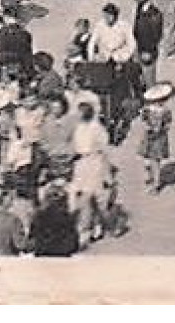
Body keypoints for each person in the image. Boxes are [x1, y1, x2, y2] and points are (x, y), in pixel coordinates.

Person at [68, 100, 115, 243]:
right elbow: (74, 145)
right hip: (81, 163)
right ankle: (86, 226)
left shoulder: (97, 128)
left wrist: (107, 171)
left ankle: (96, 225)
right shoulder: (78, 128)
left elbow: (104, 149)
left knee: (94, 195)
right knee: (80, 194)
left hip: (94, 162)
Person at [137, 82, 175, 194]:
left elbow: (143, 120)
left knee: (151, 159)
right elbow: (168, 124)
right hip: (159, 136)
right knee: (153, 160)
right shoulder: (165, 110)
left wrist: (149, 123)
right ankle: (154, 180)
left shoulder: (148, 110)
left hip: (151, 135)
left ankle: (155, 183)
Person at [29, 182, 81, 257]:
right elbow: (75, 245)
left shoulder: (38, 216)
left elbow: (32, 239)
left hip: (42, 257)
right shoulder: (68, 218)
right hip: (63, 257)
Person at [131, 0, 164, 90]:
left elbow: (156, 35)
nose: (135, 1)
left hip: (147, 49)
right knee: (140, 76)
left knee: (149, 76)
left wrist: (148, 50)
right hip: (139, 47)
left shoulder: (154, 13)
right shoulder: (140, 9)